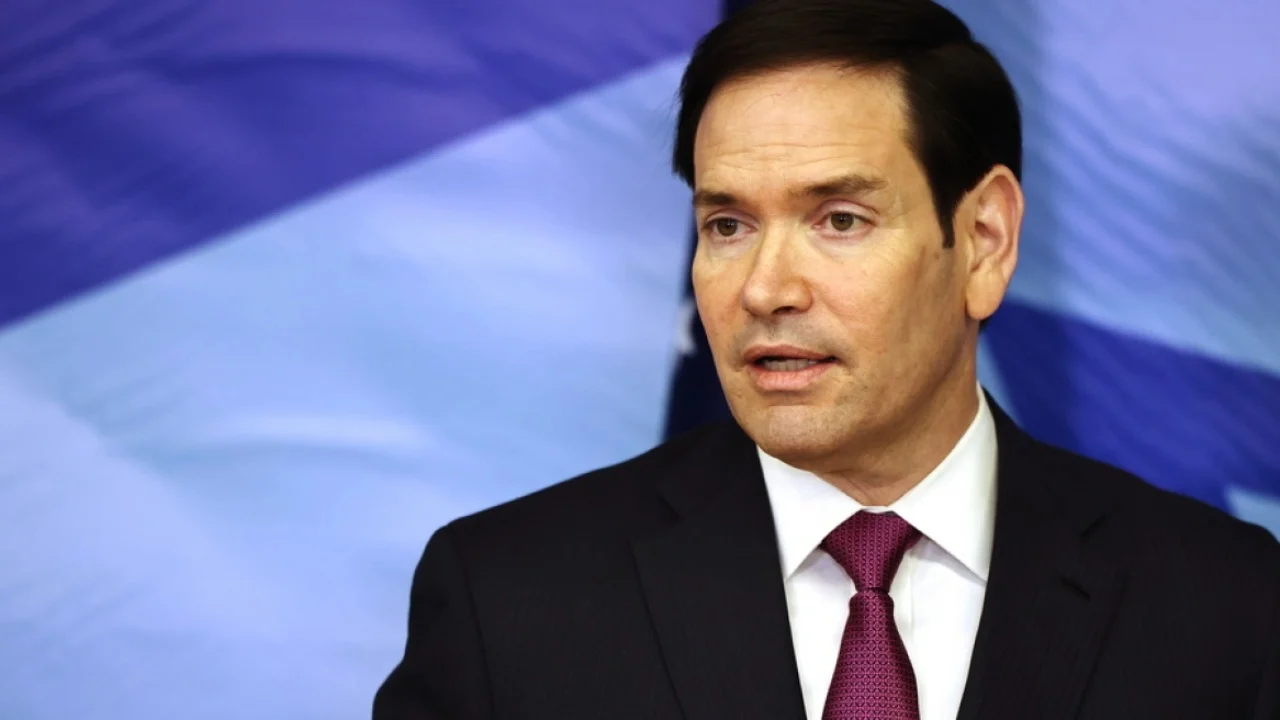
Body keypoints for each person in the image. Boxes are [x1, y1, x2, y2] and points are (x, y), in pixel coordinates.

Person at [373, 0, 1280, 717]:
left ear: (983, 242)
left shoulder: (1225, 604)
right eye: (728, 225)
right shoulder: (509, 599)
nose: (765, 288)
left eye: (839, 220)